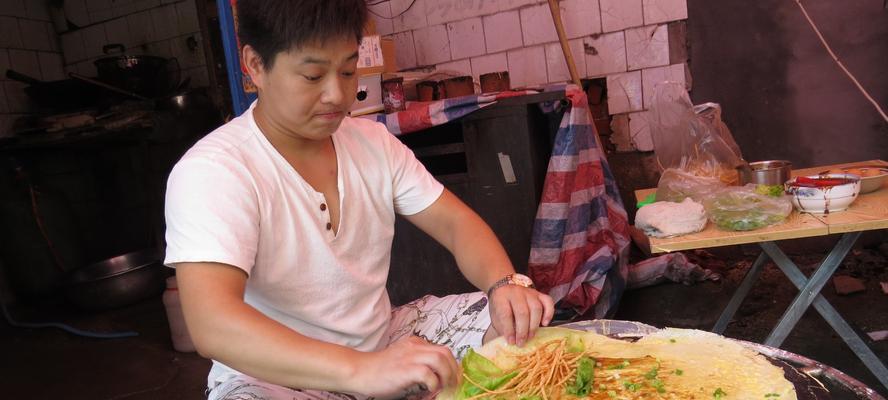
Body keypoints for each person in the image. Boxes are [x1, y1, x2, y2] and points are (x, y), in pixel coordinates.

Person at [163, 1, 554, 399]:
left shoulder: (372, 144)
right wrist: (359, 371)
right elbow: (212, 323)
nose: (336, 94)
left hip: (381, 343)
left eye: (348, 71)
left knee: (513, 328)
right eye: (313, 75)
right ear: (255, 65)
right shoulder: (215, 170)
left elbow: (456, 225)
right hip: (276, 378)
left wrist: (505, 283)